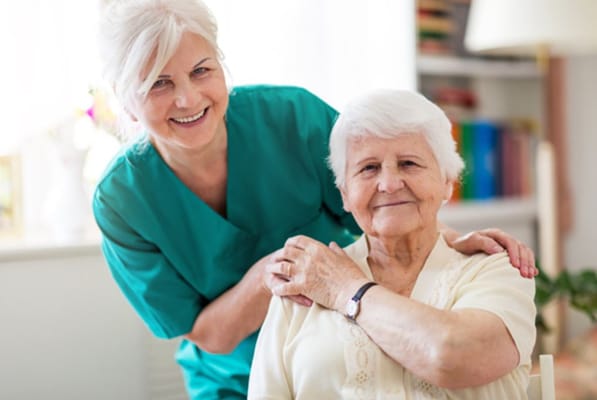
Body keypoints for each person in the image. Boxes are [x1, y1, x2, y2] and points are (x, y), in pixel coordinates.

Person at [93, 1, 536, 398]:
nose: (188, 97)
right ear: (127, 102)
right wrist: (278, 270)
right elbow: (209, 335)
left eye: (201, 70)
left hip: (344, 346)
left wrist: (451, 244)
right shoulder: (122, 201)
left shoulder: (293, 118)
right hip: (229, 379)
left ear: (221, 67)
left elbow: (381, 195)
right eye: (159, 84)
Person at [248, 89, 537, 399]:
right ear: (344, 193)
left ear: (447, 182)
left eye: (409, 163)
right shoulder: (305, 283)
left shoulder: (496, 267)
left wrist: (348, 290)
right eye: (368, 168)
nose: (388, 184)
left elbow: (452, 356)